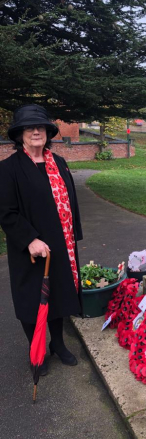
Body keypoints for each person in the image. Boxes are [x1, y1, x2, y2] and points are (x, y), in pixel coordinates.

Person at [0, 105, 83, 375]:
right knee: (30, 302)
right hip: (29, 250)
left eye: (41, 127)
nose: (36, 131)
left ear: (48, 132)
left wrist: (73, 236)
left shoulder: (59, 163)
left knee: (57, 296)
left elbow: (71, 203)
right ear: (20, 134)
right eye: (29, 127)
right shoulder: (9, 169)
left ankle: (58, 344)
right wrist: (30, 239)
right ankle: (36, 350)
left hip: (59, 245)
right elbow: (6, 211)